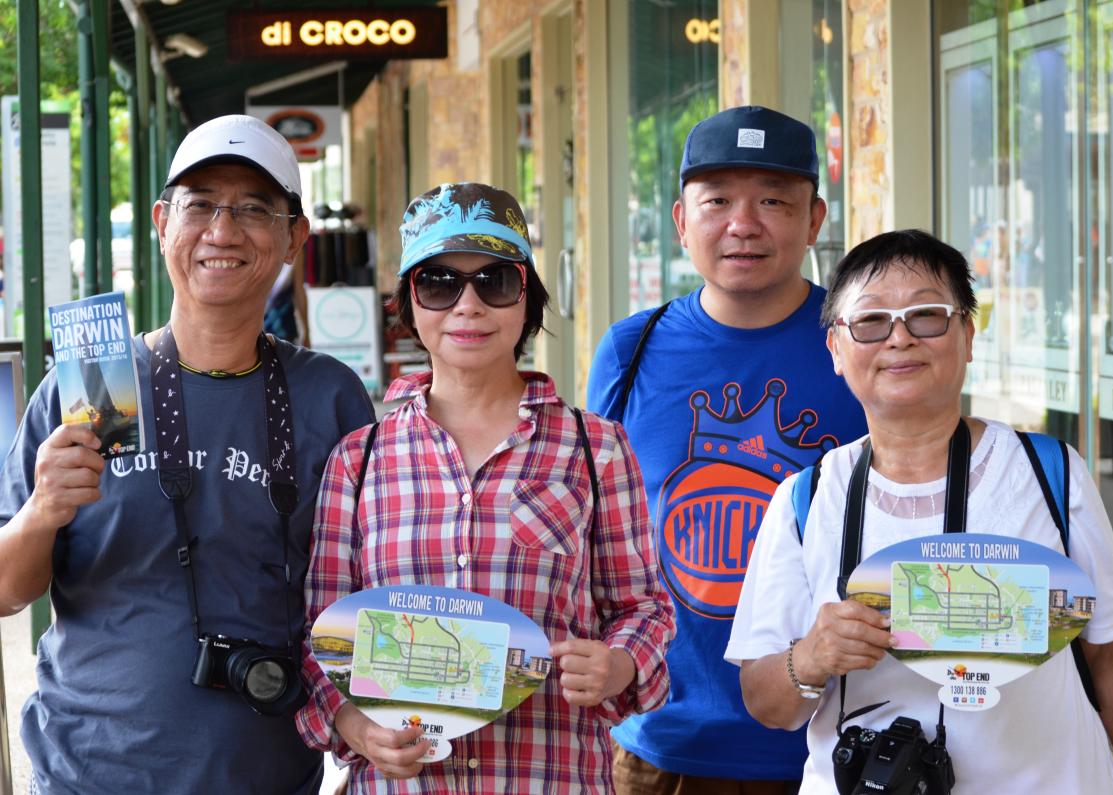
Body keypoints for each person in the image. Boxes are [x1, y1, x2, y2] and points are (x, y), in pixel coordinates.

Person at [0, 114, 376, 793]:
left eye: (254, 209)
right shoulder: (90, 384)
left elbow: (367, 594)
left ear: (295, 238)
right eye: (199, 205)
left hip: (263, 776)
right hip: (84, 773)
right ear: (161, 221)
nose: (222, 231)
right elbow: (6, 589)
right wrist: (42, 510)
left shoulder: (329, 397)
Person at [727, 229, 1113, 794]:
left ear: (967, 333)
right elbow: (765, 702)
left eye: (927, 315)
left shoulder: (1047, 473)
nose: (899, 338)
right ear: (836, 350)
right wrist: (811, 658)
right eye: (870, 321)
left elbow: (1112, 649)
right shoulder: (806, 499)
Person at [295, 182, 675, 792]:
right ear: (408, 303)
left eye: (495, 281)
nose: (467, 305)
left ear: (528, 300)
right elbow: (320, 634)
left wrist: (619, 663)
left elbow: (643, 608)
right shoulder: (358, 461)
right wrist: (359, 731)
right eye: (439, 283)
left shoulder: (594, 447)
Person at [588, 105, 867, 792]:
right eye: (717, 201)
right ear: (682, 220)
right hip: (660, 739)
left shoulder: (864, 347)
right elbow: (591, 527)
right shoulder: (632, 348)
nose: (743, 223)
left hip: (828, 741)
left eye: (773, 199)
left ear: (814, 220)